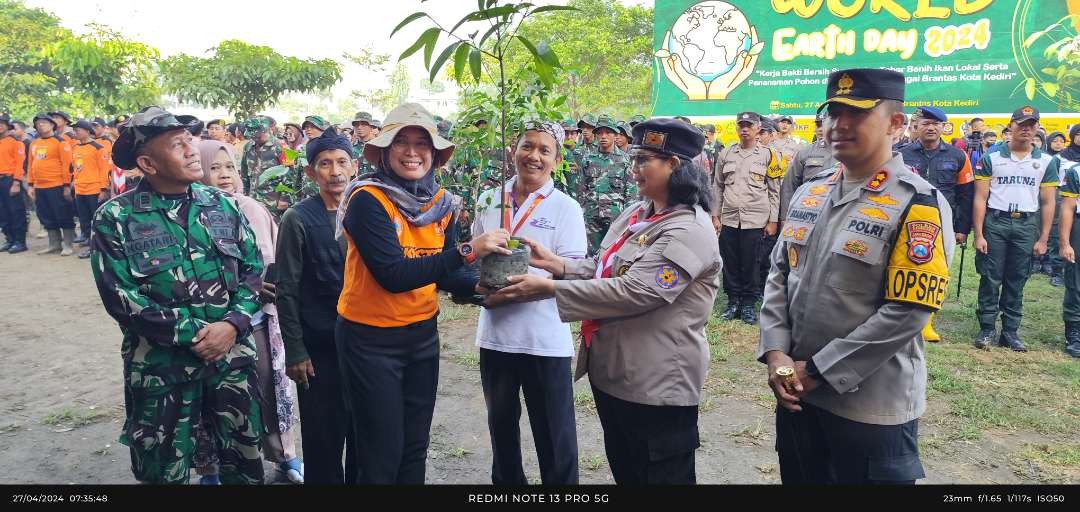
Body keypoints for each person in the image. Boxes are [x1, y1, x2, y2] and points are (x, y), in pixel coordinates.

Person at [489, 117, 721, 484]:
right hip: (617, 374)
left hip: (657, 384)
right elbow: (604, 267)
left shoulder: (689, 228)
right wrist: (558, 265)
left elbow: (637, 291)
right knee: (628, 471)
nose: (634, 168)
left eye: (644, 159)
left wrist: (549, 288)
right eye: (634, 158)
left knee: (660, 477)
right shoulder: (638, 212)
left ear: (674, 165)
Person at [760, 68, 954, 485]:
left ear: (896, 124)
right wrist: (776, 354)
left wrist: (818, 371)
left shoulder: (917, 201)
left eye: (857, 113)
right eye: (832, 113)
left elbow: (908, 311)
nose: (839, 125)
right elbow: (780, 274)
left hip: (869, 407)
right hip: (796, 394)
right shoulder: (811, 190)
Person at [335, 102, 510, 484]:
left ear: (434, 154)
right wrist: (468, 250)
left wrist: (481, 285)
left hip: (420, 336)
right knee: (381, 449)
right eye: (402, 142)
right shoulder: (368, 200)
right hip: (370, 339)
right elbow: (394, 275)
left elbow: (446, 275)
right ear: (384, 151)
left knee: (415, 446)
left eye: (422, 144)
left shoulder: (441, 203)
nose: (412, 152)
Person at [90, 106, 265, 484]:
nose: (191, 151)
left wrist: (232, 325)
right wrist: (198, 335)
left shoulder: (221, 204)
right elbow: (119, 295)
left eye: (191, 141)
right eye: (177, 144)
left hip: (231, 363)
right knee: (163, 473)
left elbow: (253, 271)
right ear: (147, 163)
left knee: (245, 467)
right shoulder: (115, 217)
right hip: (162, 370)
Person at [471, 121, 586, 485]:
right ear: (513, 150)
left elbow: (574, 270)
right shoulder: (489, 199)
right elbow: (475, 255)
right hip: (497, 335)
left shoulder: (566, 207)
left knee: (555, 437)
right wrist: (477, 288)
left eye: (544, 150)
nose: (533, 156)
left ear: (556, 160)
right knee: (501, 430)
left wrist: (537, 285)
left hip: (544, 339)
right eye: (527, 146)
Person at [276, 127, 359, 484]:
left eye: (342, 162)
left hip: (363, 344)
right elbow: (287, 288)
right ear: (311, 172)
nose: (335, 171)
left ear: (354, 167)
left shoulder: (365, 210)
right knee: (323, 436)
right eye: (325, 164)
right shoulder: (298, 218)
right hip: (318, 347)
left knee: (363, 432)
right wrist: (295, 350)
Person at [972, 106, 1059, 351]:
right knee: (990, 276)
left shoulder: (1045, 161)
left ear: (1038, 128)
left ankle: (1010, 331)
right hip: (996, 222)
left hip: (1026, 224)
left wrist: (1043, 238)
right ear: (1010, 126)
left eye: (1031, 125)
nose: (1026, 129)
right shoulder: (992, 157)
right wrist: (978, 234)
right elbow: (980, 198)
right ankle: (987, 328)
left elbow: (1048, 201)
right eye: (1021, 124)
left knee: (1018, 277)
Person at [898, 106, 975, 341]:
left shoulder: (957, 156)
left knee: (937, 271)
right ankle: (899, 318)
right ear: (916, 127)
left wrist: (962, 228)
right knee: (902, 266)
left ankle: (926, 323)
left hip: (943, 221)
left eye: (936, 124)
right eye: (925, 123)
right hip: (906, 220)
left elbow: (966, 194)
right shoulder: (901, 154)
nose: (930, 127)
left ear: (943, 127)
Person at [712, 112, 783, 323]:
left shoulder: (769, 155)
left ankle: (748, 304)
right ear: (736, 127)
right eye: (741, 125)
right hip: (730, 218)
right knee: (730, 261)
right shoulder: (726, 153)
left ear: (758, 127)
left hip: (756, 218)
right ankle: (733, 301)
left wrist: (773, 220)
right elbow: (717, 186)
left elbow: (774, 190)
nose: (744, 129)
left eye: (749, 125)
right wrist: (715, 215)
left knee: (752, 262)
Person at [580, 115, 630, 253]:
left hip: (616, 217)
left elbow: (631, 194)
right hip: (591, 216)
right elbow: (582, 188)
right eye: (600, 133)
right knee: (590, 255)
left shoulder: (625, 160)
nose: (603, 136)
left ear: (615, 135)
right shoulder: (588, 159)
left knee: (612, 254)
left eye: (608, 132)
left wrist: (627, 220)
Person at [27, 113, 75, 256]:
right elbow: (30, 165)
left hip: (57, 185)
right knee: (45, 215)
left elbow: (67, 165)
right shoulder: (34, 143)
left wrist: (67, 186)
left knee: (63, 214)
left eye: (44, 123)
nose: (41, 125)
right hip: (39, 187)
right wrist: (30, 185)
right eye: (38, 123)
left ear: (52, 125)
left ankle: (68, 244)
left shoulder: (60, 142)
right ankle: (54, 244)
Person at [780, 111, 835, 221]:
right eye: (818, 125)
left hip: (836, 215)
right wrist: (785, 219)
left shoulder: (849, 152)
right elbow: (789, 187)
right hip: (807, 214)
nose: (820, 129)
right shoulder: (805, 153)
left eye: (824, 124)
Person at [70, 119, 112, 259]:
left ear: (87, 131)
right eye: (75, 130)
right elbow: (76, 169)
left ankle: (99, 247)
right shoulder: (75, 148)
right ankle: (89, 245)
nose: (76, 132)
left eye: (78, 129)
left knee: (96, 220)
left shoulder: (98, 148)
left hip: (94, 190)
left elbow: (103, 170)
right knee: (84, 220)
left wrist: (103, 189)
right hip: (80, 189)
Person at [1055, 157, 1080, 358]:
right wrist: (1065, 243)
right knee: (1076, 282)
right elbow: (1067, 208)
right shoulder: (1076, 172)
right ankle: (1074, 332)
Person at [0, 114, 27, 253]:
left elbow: (20, 164)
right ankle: (9, 239)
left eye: (2, 123)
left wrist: (16, 182)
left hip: (10, 180)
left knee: (16, 211)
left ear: (7, 126)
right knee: (2, 212)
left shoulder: (16, 143)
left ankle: (19, 241)